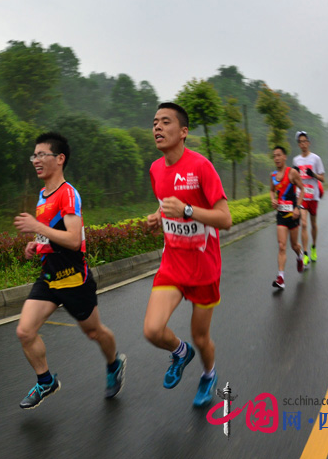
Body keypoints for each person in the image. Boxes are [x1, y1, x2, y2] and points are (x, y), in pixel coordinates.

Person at [13, 132, 126, 409]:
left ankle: (114, 364)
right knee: (25, 332)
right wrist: (36, 245)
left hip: (74, 279)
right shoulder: (42, 195)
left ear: (60, 158)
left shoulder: (68, 194)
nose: (36, 160)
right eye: (34, 155)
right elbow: (54, 234)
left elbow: (74, 240)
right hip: (49, 277)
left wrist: (38, 228)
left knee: (94, 331)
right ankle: (46, 381)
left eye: (42, 155)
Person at [145, 103, 232, 407]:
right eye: (155, 122)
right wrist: (159, 216)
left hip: (204, 268)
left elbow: (225, 218)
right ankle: (180, 353)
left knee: (201, 337)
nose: (157, 127)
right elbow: (165, 201)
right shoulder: (156, 168)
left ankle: (209, 374)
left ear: (183, 132)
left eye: (165, 122)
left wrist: (187, 211)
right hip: (173, 263)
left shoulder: (201, 167)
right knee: (153, 330)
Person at [271, 146, 306, 290]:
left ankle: (300, 255)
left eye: (279, 155)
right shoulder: (273, 175)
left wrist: (298, 207)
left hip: (293, 215)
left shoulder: (292, 173)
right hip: (281, 215)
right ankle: (281, 278)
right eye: (274, 156)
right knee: (281, 245)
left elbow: (302, 189)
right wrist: (272, 199)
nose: (276, 158)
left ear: (285, 157)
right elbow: (271, 190)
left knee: (294, 245)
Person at [292, 132, 324, 267]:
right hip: (302, 195)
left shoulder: (316, 159)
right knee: (304, 224)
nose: (303, 144)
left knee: (313, 224)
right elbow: (294, 179)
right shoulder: (296, 160)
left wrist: (314, 175)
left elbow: (323, 178)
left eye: (305, 141)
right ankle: (305, 254)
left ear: (309, 143)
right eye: (300, 142)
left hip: (313, 196)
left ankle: (314, 247)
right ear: (298, 144)